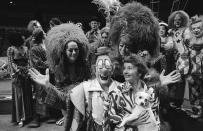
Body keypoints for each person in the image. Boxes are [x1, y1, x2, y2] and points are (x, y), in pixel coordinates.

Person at [29, 47, 121, 131]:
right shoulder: (85, 87)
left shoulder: (121, 88)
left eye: (107, 66)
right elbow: (65, 100)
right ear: (95, 70)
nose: (103, 70)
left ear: (112, 69)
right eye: (100, 66)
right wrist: (48, 85)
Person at [43, 23, 91, 126]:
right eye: (70, 50)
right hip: (66, 104)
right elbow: (58, 95)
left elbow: (88, 84)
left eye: (76, 50)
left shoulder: (85, 65)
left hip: (82, 103)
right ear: (64, 51)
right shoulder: (57, 69)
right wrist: (66, 115)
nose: (74, 53)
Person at [7, 32, 33, 127]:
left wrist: (28, 70)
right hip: (17, 75)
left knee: (27, 95)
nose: (23, 38)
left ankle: (28, 115)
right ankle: (20, 118)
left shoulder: (26, 48)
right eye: (21, 37)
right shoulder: (11, 49)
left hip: (26, 75)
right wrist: (16, 72)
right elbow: (10, 62)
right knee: (19, 96)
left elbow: (29, 61)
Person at [29, 28, 48, 127]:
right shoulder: (34, 48)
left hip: (47, 73)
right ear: (41, 36)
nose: (45, 33)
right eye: (44, 32)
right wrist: (49, 64)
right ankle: (36, 118)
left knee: (46, 93)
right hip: (39, 73)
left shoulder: (45, 45)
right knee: (39, 94)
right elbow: (36, 62)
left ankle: (46, 115)